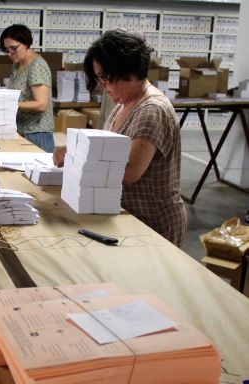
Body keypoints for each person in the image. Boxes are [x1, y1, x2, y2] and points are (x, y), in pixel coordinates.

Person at [54, 29, 187, 247]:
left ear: (130, 71)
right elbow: (105, 152)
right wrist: (73, 152)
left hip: (152, 223)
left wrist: (76, 159)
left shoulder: (151, 109)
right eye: (99, 78)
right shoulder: (124, 103)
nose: (102, 85)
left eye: (106, 78)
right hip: (128, 217)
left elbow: (128, 172)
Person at [0, 24, 55, 153]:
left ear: (26, 43)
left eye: (13, 48)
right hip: (22, 131)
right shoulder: (17, 64)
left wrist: (10, 104)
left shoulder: (36, 66)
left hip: (36, 134)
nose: (10, 53)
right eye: (7, 49)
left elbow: (41, 105)